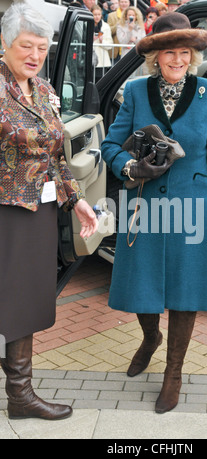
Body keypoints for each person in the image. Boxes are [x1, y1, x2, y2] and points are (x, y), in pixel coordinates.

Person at [101, 12, 207, 414]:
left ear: (192, 55)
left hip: (193, 200)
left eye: (184, 52)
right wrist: (130, 166)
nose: (177, 59)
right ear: (154, 56)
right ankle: (150, 337)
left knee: (186, 287)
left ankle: (174, 371)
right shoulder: (136, 92)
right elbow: (109, 145)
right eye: (168, 52)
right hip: (144, 200)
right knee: (142, 282)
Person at [0, 2, 98, 420]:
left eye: (42, 47)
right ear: (4, 43)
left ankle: (20, 395)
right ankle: (20, 394)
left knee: (24, 300)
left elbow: (56, 156)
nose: (35, 55)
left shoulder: (41, 89)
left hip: (37, 212)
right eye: (27, 45)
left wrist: (76, 201)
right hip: (4, 210)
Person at [92, 4, 113, 78]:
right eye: (95, 14)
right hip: (91, 58)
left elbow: (110, 45)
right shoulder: (87, 25)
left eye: (99, 14)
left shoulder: (106, 26)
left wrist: (102, 41)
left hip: (102, 60)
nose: (97, 16)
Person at [107, 0, 130, 64]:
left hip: (128, 50)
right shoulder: (111, 15)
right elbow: (109, 31)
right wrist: (118, 24)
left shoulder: (133, 15)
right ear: (119, 3)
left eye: (126, 2)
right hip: (116, 51)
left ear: (129, 3)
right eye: (122, 2)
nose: (124, 4)